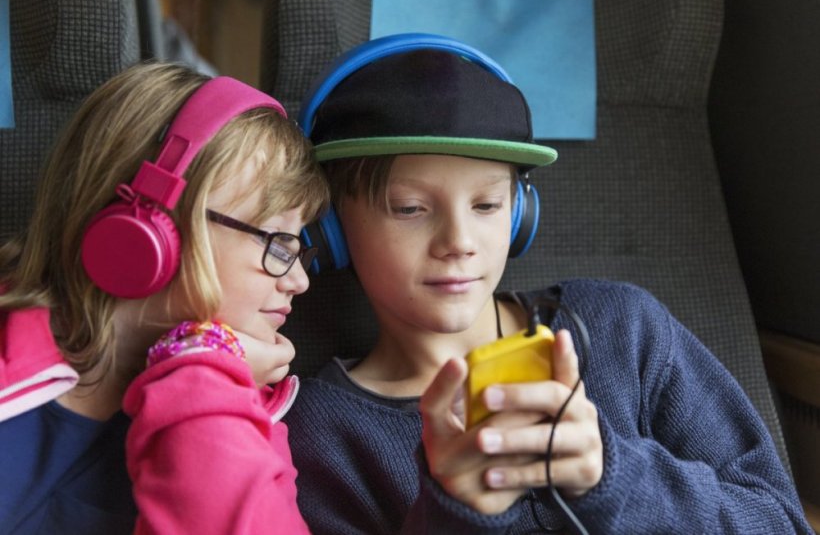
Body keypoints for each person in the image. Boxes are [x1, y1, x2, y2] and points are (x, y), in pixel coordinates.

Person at [284, 35, 813, 534]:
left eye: (487, 204)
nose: (459, 241)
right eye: (410, 208)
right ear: (330, 228)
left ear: (520, 215)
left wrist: (614, 477)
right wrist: (457, 514)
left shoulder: (623, 331)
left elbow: (779, 521)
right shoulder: (324, 435)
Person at [0, 62, 328, 534]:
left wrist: (206, 367)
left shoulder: (247, 416)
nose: (298, 280)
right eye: (277, 242)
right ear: (147, 229)